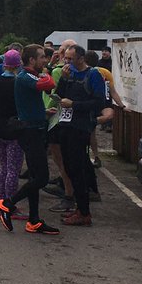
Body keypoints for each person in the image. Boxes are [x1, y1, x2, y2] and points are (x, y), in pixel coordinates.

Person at [0, 45, 60, 235]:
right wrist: (47, 73)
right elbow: (48, 85)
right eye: (41, 58)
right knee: (42, 178)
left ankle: (33, 220)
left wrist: (42, 112)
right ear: (31, 60)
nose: (45, 61)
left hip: (35, 128)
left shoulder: (29, 75)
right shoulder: (25, 76)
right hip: (30, 132)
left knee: (34, 177)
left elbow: (34, 98)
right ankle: (7, 204)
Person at [54, 45, 109, 226]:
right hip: (65, 125)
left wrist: (75, 104)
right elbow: (59, 94)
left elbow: (99, 102)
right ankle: (79, 207)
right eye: (66, 59)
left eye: (70, 59)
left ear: (80, 58)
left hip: (81, 127)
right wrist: (63, 79)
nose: (66, 62)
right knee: (68, 167)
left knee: (77, 169)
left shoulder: (92, 75)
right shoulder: (69, 74)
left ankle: (84, 212)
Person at [0, 50, 25, 213]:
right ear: (19, 65)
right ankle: (9, 202)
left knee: (3, 167)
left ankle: (1, 199)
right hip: (14, 128)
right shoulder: (19, 83)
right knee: (13, 169)